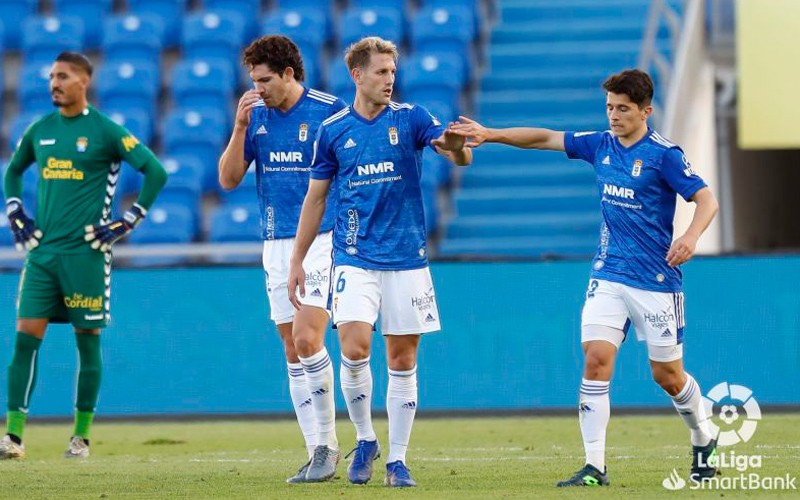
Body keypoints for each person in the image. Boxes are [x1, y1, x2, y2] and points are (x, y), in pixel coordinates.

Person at [449, 69, 720, 487]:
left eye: (623, 109)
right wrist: (491, 133)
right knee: (595, 360)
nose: (614, 116)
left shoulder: (664, 154)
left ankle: (703, 437)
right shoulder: (600, 145)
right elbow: (545, 138)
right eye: (610, 107)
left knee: (667, 377)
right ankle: (595, 467)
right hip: (608, 274)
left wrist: (689, 235)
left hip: (656, 281)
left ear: (646, 111)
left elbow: (706, 199)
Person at [288, 36, 472, 488]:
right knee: (353, 349)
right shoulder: (333, 131)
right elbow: (315, 199)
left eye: (393, 72)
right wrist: (297, 258)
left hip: (407, 258)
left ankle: (398, 460)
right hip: (354, 256)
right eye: (381, 72)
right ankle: (366, 439)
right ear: (358, 74)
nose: (390, 80)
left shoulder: (412, 118)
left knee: (403, 359)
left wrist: (454, 143)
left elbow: (458, 154)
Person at [0, 52, 168, 460]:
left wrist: (128, 221)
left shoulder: (105, 131)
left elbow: (155, 171)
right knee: (25, 339)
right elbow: (12, 171)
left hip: (87, 256)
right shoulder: (40, 130)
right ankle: (14, 437)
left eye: (63, 76)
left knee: (87, 342)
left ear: (83, 82)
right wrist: (15, 209)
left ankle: (80, 437)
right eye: (52, 76)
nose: (54, 83)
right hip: (43, 254)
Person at [218, 35, 347, 483]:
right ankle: (316, 451)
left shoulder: (330, 110)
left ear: (290, 73)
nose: (259, 88)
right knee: (293, 350)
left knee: (311, 340)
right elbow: (229, 179)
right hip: (275, 244)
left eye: (266, 79)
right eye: (254, 80)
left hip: (323, 239)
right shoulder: (255, 118)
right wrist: (238, 129)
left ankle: (330, 445)